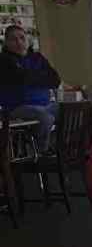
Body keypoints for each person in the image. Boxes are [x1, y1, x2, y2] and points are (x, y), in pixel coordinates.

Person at [0, 25, 61, 153]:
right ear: (6, 43)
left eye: (22, 38)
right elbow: (21, 78)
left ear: (27, 40)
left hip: (45, 104)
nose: (19, 42)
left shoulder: (37, 57)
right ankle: (42, 152)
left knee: (69, 110)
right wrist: (41, 76)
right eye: (13, 39)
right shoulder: (4, 60)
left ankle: (64, 150)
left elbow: (55, 80)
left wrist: (31, 76)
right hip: (17, 108)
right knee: (46, 118)